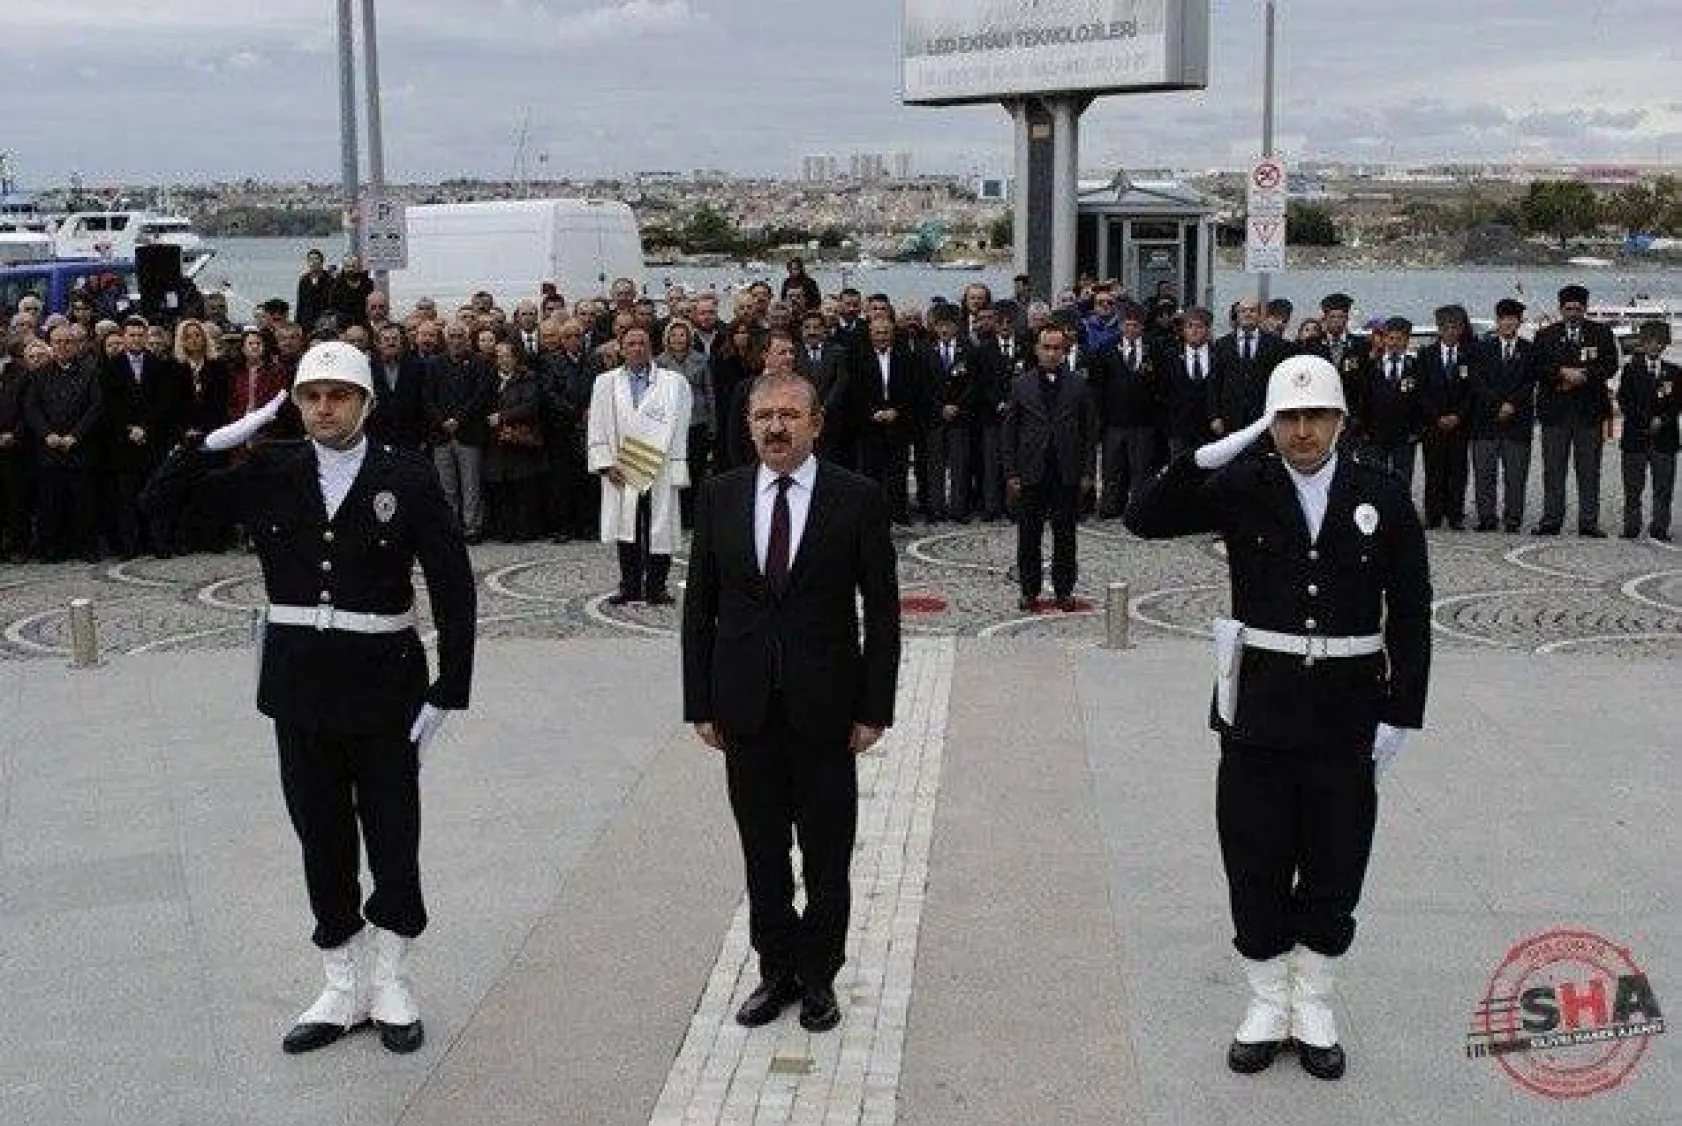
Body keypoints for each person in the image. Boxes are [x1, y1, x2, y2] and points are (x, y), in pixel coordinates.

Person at [141, 341, 476, 1056]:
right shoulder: (271, 471)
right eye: (310, 396)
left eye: (338, 396)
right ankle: (340, 980)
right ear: (294, 404)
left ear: (365, 404)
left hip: (386, 689)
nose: (324, 408)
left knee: (392, 833)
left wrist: (452, 687)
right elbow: (157, 506)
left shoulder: (405, 476)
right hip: (299, 686)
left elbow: (453, 583)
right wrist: (211, 442)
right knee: (320, 835)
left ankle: (390, 979)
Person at [1124, 354, 1431, 1082]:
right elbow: (1144, 517)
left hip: (1346, 710)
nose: (1301, 432)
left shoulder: (1381, 493)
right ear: (1272, 422)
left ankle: (1314, 1000)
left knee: (1335, 860)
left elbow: (1412, 612)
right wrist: (1218, 448)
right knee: (1255, 859)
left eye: (1314, 416)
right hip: (1259, 708)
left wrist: (1403, 713)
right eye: (1288, 418)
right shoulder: (1243, 485)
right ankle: (1266, 1000)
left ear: (1339, 420)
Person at [681, 370, 901, 1034]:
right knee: (763, 853)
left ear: (815, 424)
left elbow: (883, 612)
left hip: (827, 712)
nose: (775, 427)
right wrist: (700, 704)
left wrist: (874, 709)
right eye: (763, 416)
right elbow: (700, 610)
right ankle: (774, 970)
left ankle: (818, 977)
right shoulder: (720, 497)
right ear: (746, 424)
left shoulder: (856, 498)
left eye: (788, 415)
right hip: (744, 711)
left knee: (827, 857)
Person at [587, 326, 692, 605]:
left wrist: (679, 464)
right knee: (627, 528)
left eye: (642, 343)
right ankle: (629, 586)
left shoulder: (673, 383)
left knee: (660, 527)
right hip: (622, 466)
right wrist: (604, 464)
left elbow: (682, 425)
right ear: (621, 348)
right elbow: (596, 423)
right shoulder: (605, 383)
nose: (636, 348)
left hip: (660, 465)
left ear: (651, 347)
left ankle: (657, 586)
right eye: (630, 343)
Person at [1001, 324, 1096, 611]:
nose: (1052, 353)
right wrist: (1011, 472)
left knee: (1065, 535)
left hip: (1066, 470)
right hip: (1031, 470)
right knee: (1028, 535)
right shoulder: (1021, 384)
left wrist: (1088, 472)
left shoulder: (1079, 384)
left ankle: (1064, 589)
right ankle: (1029, 590)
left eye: (1058, 348)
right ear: (1037, 349)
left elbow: (1090, 431)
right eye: (1047, 347)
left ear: (1064, 350)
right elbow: (1010, 432)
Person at [1530, 284, 1618, 536]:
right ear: (1560, 309)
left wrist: (1585, 375)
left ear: (1585, 309)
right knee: (1554, 469)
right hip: (1555, 413)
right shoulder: (1545, 335)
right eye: (1568, 309)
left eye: (1578, 309)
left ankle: (1588, 522)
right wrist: (1561, 373)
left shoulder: (1600, 334)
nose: (1573, 313)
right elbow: (1536, 367)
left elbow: (1611, 365)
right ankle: (1551, 520)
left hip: (1588, 413)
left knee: (1589, 470)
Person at [1468, 299, 1534, 532]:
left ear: (1519, 321)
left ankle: (1513, 517)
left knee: (1516, 474)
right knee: (1484, 473)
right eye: (1504, 319)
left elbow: (1529, 383)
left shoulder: (1529, 350)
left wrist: (1512, 404)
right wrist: (1499, 404)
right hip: (1487, 419)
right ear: (1497, 321)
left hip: (1518, 420)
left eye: (1513, 319)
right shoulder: (1482, 348)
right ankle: (1486, 517)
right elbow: (1477, 382)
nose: (1508, 323)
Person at [1615, 321, 1678, 541]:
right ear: (1643, 343)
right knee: (1633, 487)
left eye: (1659, 342)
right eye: (1650, 342)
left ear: (1664, 345)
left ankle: (1660, 527)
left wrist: (1663, 419)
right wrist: (1645, 421)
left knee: (1663, 487)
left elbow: (1678, 403)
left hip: (1665, 438)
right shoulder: (1631, 371)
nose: (1655, 346)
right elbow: (1624, 400)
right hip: (1635, 437)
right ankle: (1631, 525)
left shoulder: (1674, 372)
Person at [1415, 305, 1474, 530]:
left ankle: (1455, 514)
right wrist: (1436, 416)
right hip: (1433, 423)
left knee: (1458, 471)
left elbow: (1472, 391)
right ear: (1439, 329)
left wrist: (1458, 416)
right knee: (1434, 470)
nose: (1450, 331)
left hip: (1459, 423)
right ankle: (1434, 514)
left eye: (1455, 327)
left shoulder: (1468, 354)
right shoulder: (1426, 355)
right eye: (1446, 327)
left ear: (1460, 329)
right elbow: (1420, 390)